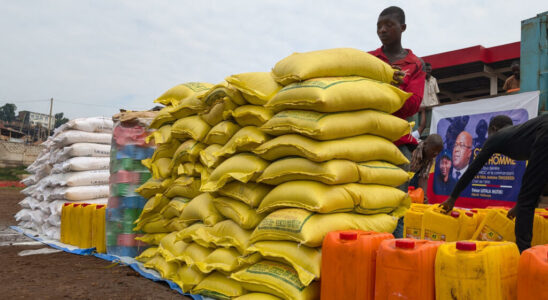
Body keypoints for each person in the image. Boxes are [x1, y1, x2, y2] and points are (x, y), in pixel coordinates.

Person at [441, 114, 548, 252]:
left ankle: (523, 253)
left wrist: (452, 198)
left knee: (527, 200)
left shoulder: (497, 137)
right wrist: (520, 205)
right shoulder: (521, 134)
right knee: (530, 195)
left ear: (493, 128)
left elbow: (472, 169)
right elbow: (537, 178)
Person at [369, 6, 426, 238]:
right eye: (379, 26)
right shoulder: (370, 60)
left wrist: (392, 89)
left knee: (395, 208)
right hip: (367, 139)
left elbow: (412, 106)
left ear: (402, 28)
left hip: (397, 143)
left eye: (388, 25)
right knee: (367, 203)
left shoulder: (415, 65)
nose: (382, 30)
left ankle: (393, 252)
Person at [409, 134, 443, 202]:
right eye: (434, 150)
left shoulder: (430, 158)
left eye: (439, 151)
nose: (436, 153)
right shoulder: (412, 147)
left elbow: (423, 177)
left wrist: (423, 195)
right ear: (425, 144)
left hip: (412, 177)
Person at [418, 62, 440, 136]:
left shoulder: (434, 79)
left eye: (430, 70)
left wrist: (439, 105)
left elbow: (436, 93)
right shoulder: (419, 80)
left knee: (434, 127)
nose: (429, 71)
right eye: (427, 70)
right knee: (425, 128)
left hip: (434, 107)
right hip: (424, 108)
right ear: (423, 70)